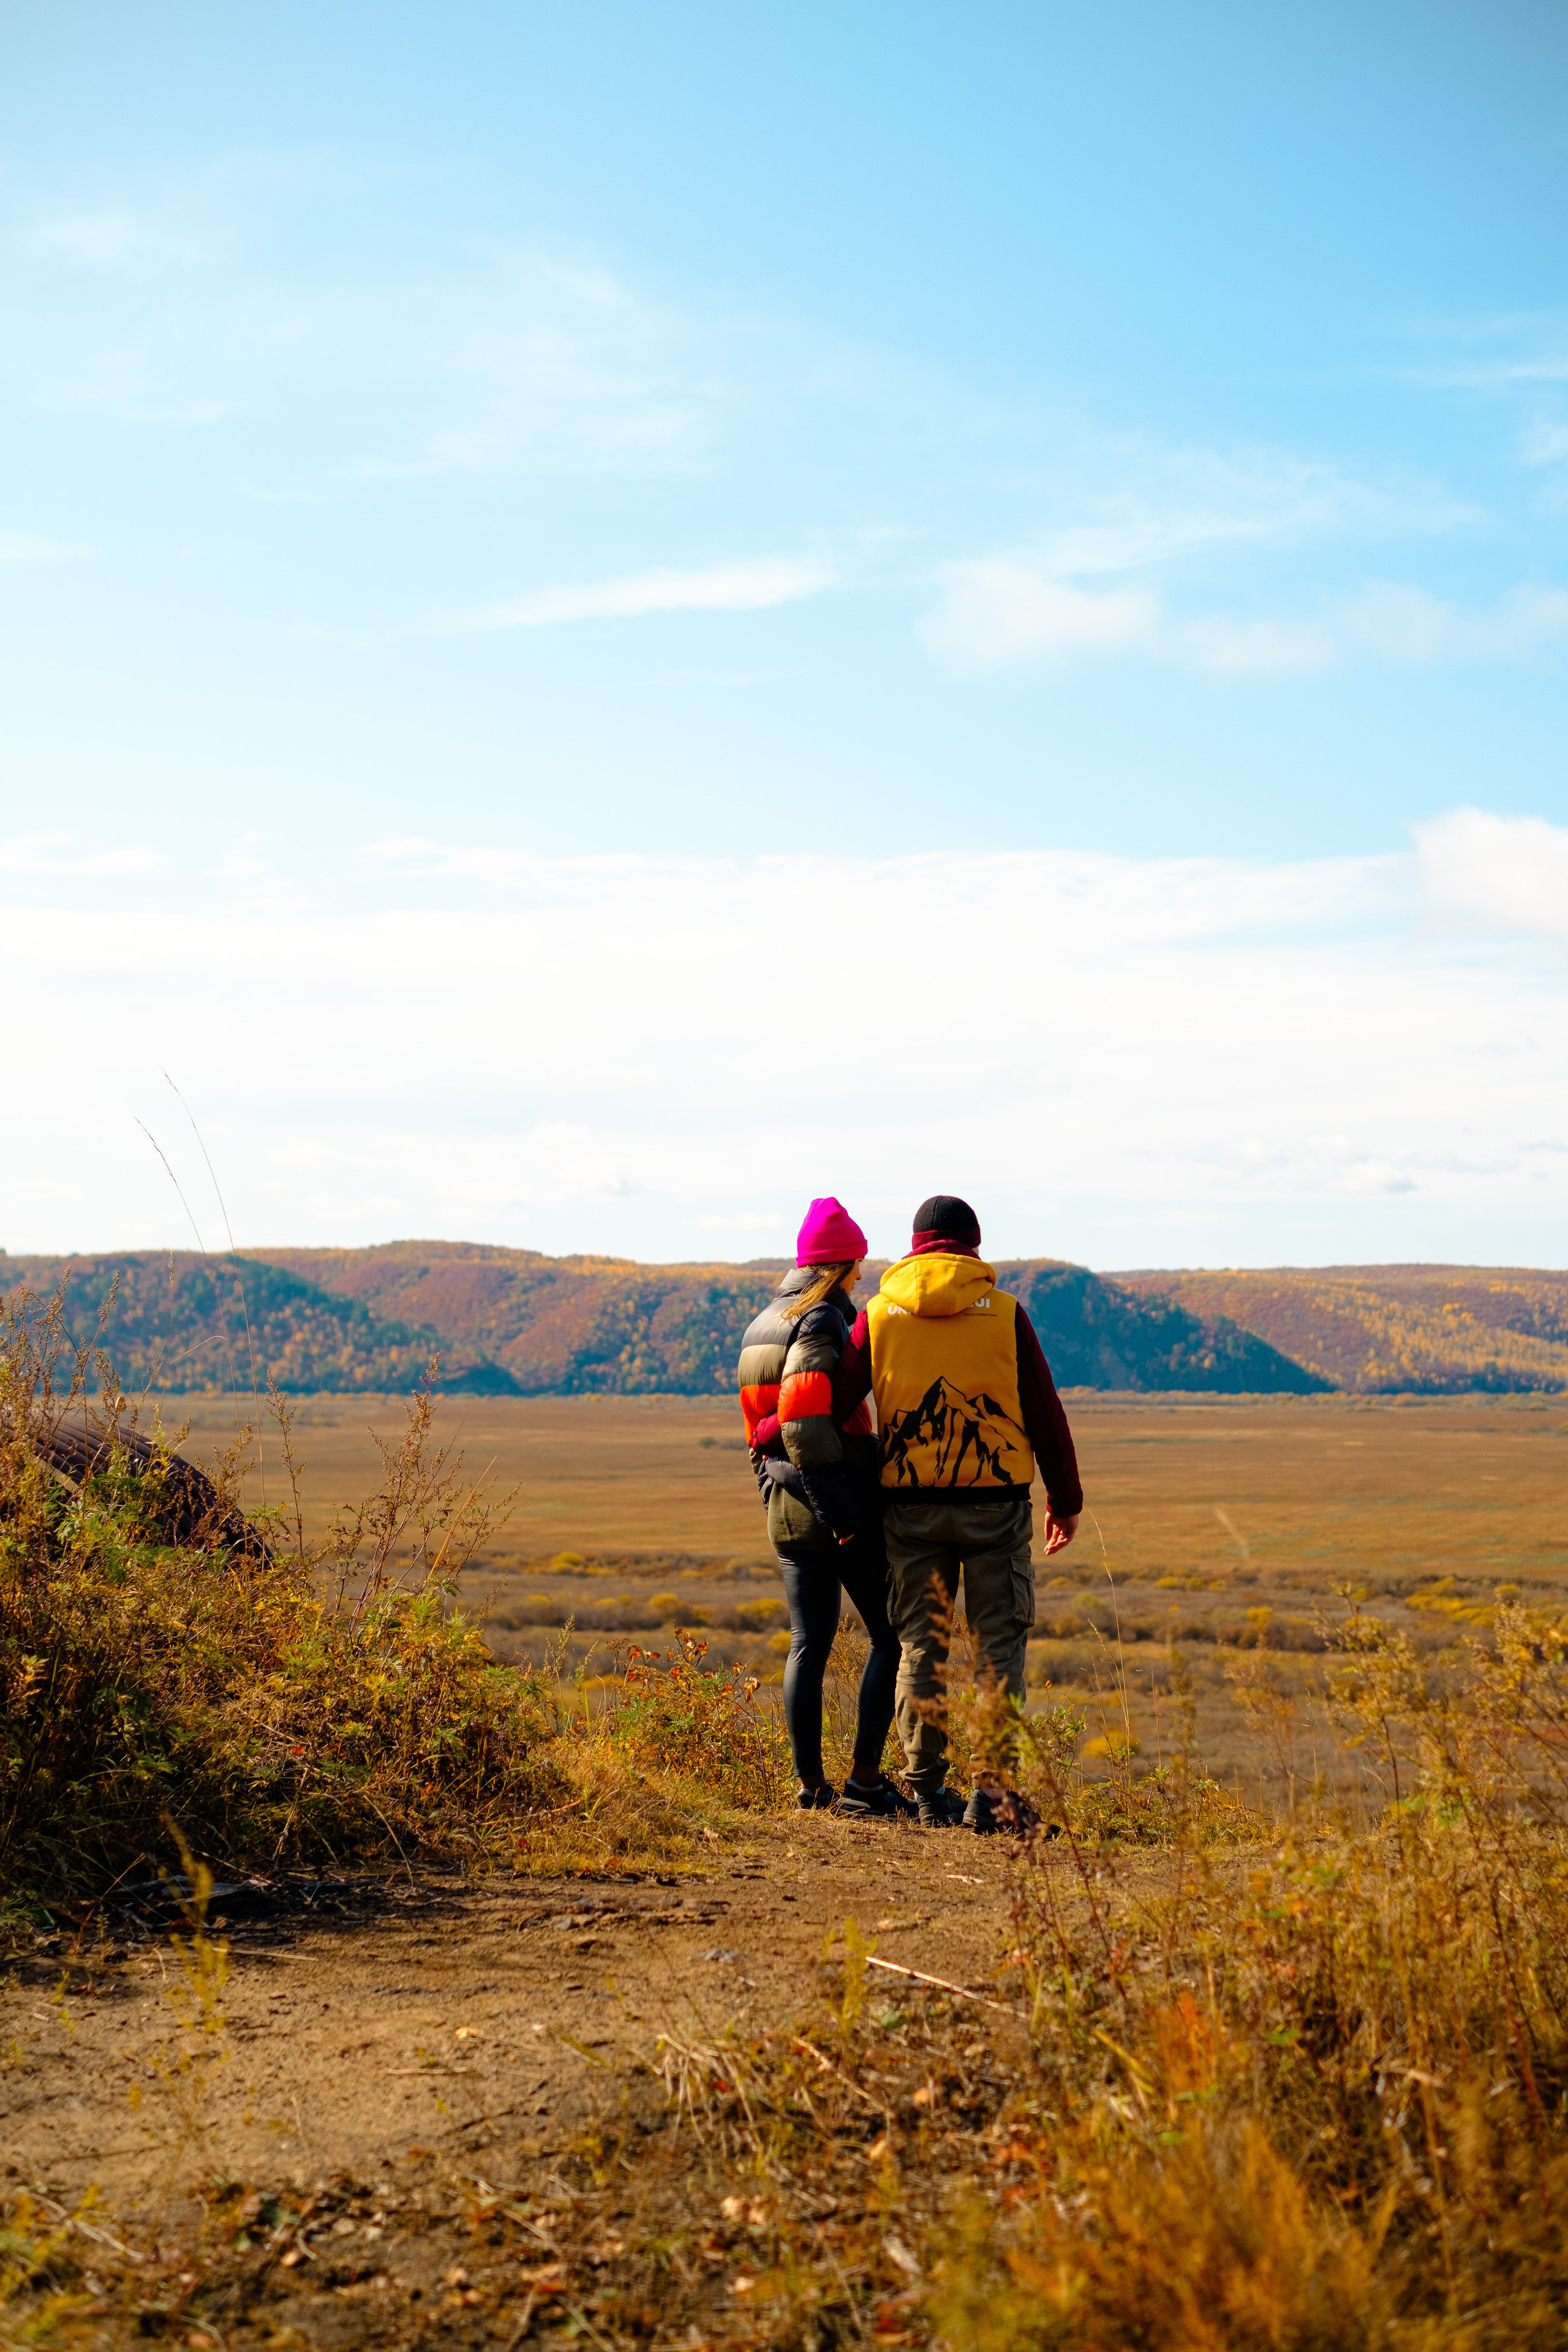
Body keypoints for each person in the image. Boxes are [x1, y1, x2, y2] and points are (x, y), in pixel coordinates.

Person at [832, 1194, 1083, 1832]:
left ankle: (925, 1795)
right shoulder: (1003, 1312)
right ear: (974, 1244)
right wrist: (1065, 1499)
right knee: (999, 1648)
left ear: (915, 1245)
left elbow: (836, 1401)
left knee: (921, 1645)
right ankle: (994, 1797)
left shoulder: (879, 1313)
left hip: (908, 1506)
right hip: (995, 1506)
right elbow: (1043, 1409)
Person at [737, 1197, 910, 1818]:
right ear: (838, 1266)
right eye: (856, 1264)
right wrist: (842, 1516)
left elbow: (760, 1427)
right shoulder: (820, 1323)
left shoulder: (763, 1321)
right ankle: (865, 1779)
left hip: (783, 1504)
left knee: (807, 1645)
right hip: (827, 1501)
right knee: (891, 1636)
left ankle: (809, 1786)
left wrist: (770, 1488)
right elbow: (806, 1426)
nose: (861, 1276)